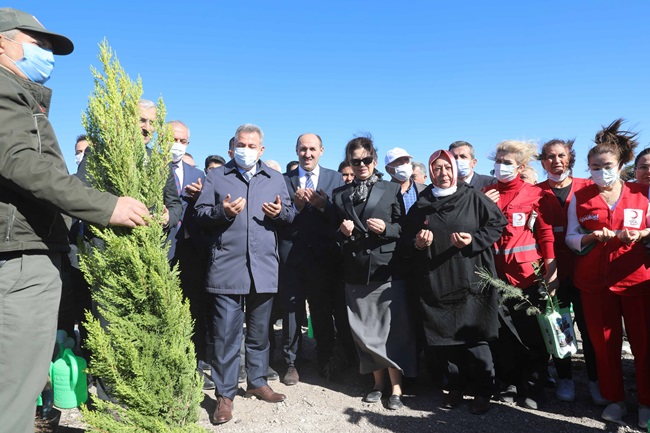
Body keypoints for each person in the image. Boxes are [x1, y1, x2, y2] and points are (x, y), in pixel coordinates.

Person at [0, 8, 149, 432]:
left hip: (25, 248)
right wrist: (108, 207)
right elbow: (22, 163)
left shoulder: (20, 96)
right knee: (14, 386)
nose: (47, 53)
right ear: (2, 43)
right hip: (21, 254)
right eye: (39, 43)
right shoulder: (4, 91)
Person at [195, 124, 294, 425]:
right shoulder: (216, 176)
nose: (246, 150)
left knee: (259, 332)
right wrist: (221, 213)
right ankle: (225, 395)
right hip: (227, 266)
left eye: (252, 146)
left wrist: (281, 214)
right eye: (241, 144)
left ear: (262, 150)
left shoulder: (274, 178)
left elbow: (291, 214)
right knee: (225, 334)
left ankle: (257, 380)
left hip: (263, 267)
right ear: (232, 147)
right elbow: (199, 215)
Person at [402, 149, 506, 414]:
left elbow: (496, 225)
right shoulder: (421, 205)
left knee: (476, 340)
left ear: (455, 170)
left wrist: (474, 241)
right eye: (436, 169)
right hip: (437, 281)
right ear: (430, 172)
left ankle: (484, 391)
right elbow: (406, 240)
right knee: (444, 341)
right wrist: (417, 243)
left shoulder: (473, 198)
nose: (443, 174)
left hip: (470, 280)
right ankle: (455, 388)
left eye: (447, 168)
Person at [565, 119, 650, 428]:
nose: (601, 171)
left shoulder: (642, 194)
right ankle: (615, 399)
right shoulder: (581, 197)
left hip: (635, 280)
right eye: (594, 167)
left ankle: (646, 402)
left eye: (606, 165)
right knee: (604, 345)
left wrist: (640, 235)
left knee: (643, 344)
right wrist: (588, 238)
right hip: (594, 283)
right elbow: (571, 237)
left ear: (620, 164)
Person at [331, 135, 417, 410]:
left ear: (374, 160)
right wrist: (342, 233)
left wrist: (386, 229)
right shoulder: (339, 195)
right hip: (355, 273)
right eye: (356, 162)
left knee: (392, 331)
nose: (361, 165)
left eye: (366, 160)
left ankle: (396, 387)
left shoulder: (390, 189)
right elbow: (336, 237)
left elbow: (403, 229)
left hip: (386, 270)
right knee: (365, 331)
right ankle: (377, 383)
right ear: (350, 163)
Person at [483, 140, 557, 410]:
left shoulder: (534, 194)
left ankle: (534, 386)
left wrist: (552, 270)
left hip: (528, 276)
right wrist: (484, 205)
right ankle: (509, 382)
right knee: (502, 334)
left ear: (521, 167)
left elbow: (546, 233)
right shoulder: (486, 192)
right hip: (495, 277)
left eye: (507, 162)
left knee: (532, 336)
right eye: (498, 161)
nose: (501, 166)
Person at [278, 133, 351, 386]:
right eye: (302, 149)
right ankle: (291, 362)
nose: (307, 154)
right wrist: (296, 209)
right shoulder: (283, 180)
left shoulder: (335, 178)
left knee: (321, 312)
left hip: (324, 259)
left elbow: (343, 217)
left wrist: (323, 206)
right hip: (292, 259)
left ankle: (326, 359)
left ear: (321, 150)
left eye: (312, 149)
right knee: (291, 313)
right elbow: (278, 218)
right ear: (296, 151)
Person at [536, 139, 603, 405]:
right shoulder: (535, 191)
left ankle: (596, 381)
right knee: (558, 326)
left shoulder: (589, 187)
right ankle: (565, 379)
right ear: (543, 162)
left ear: (570, 158)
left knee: (589, 330)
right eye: (550, 157)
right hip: (553, 272)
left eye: (561, 155)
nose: (556, 161)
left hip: (586, 270)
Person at [166, 120, 213, 389]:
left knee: (193, 309)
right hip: (160, 248)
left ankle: (192, 364)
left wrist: (199, 198)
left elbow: (208, 212)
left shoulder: (197, 174)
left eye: (183, 141)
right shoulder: (149, 166)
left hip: (191, 251)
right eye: (175, 139)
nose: (178, 145)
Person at [384, 147, 426, 213]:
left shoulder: (425, 190)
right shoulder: (383, 193)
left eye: (406, 160)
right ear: (388, 169)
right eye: (398, 161)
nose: (404, 164)